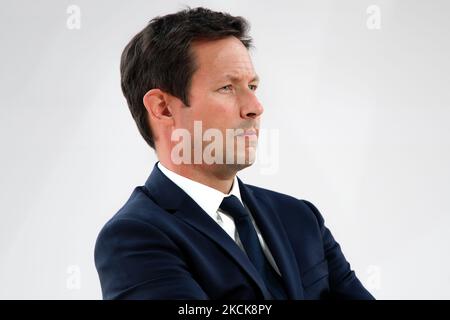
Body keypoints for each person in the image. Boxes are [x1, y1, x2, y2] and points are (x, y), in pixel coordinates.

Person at [94, 7, 374, 300]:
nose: (255, 106)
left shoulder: (300, 217)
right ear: (163, 108)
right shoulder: (133, 239)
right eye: (227, 87)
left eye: (252, 86)